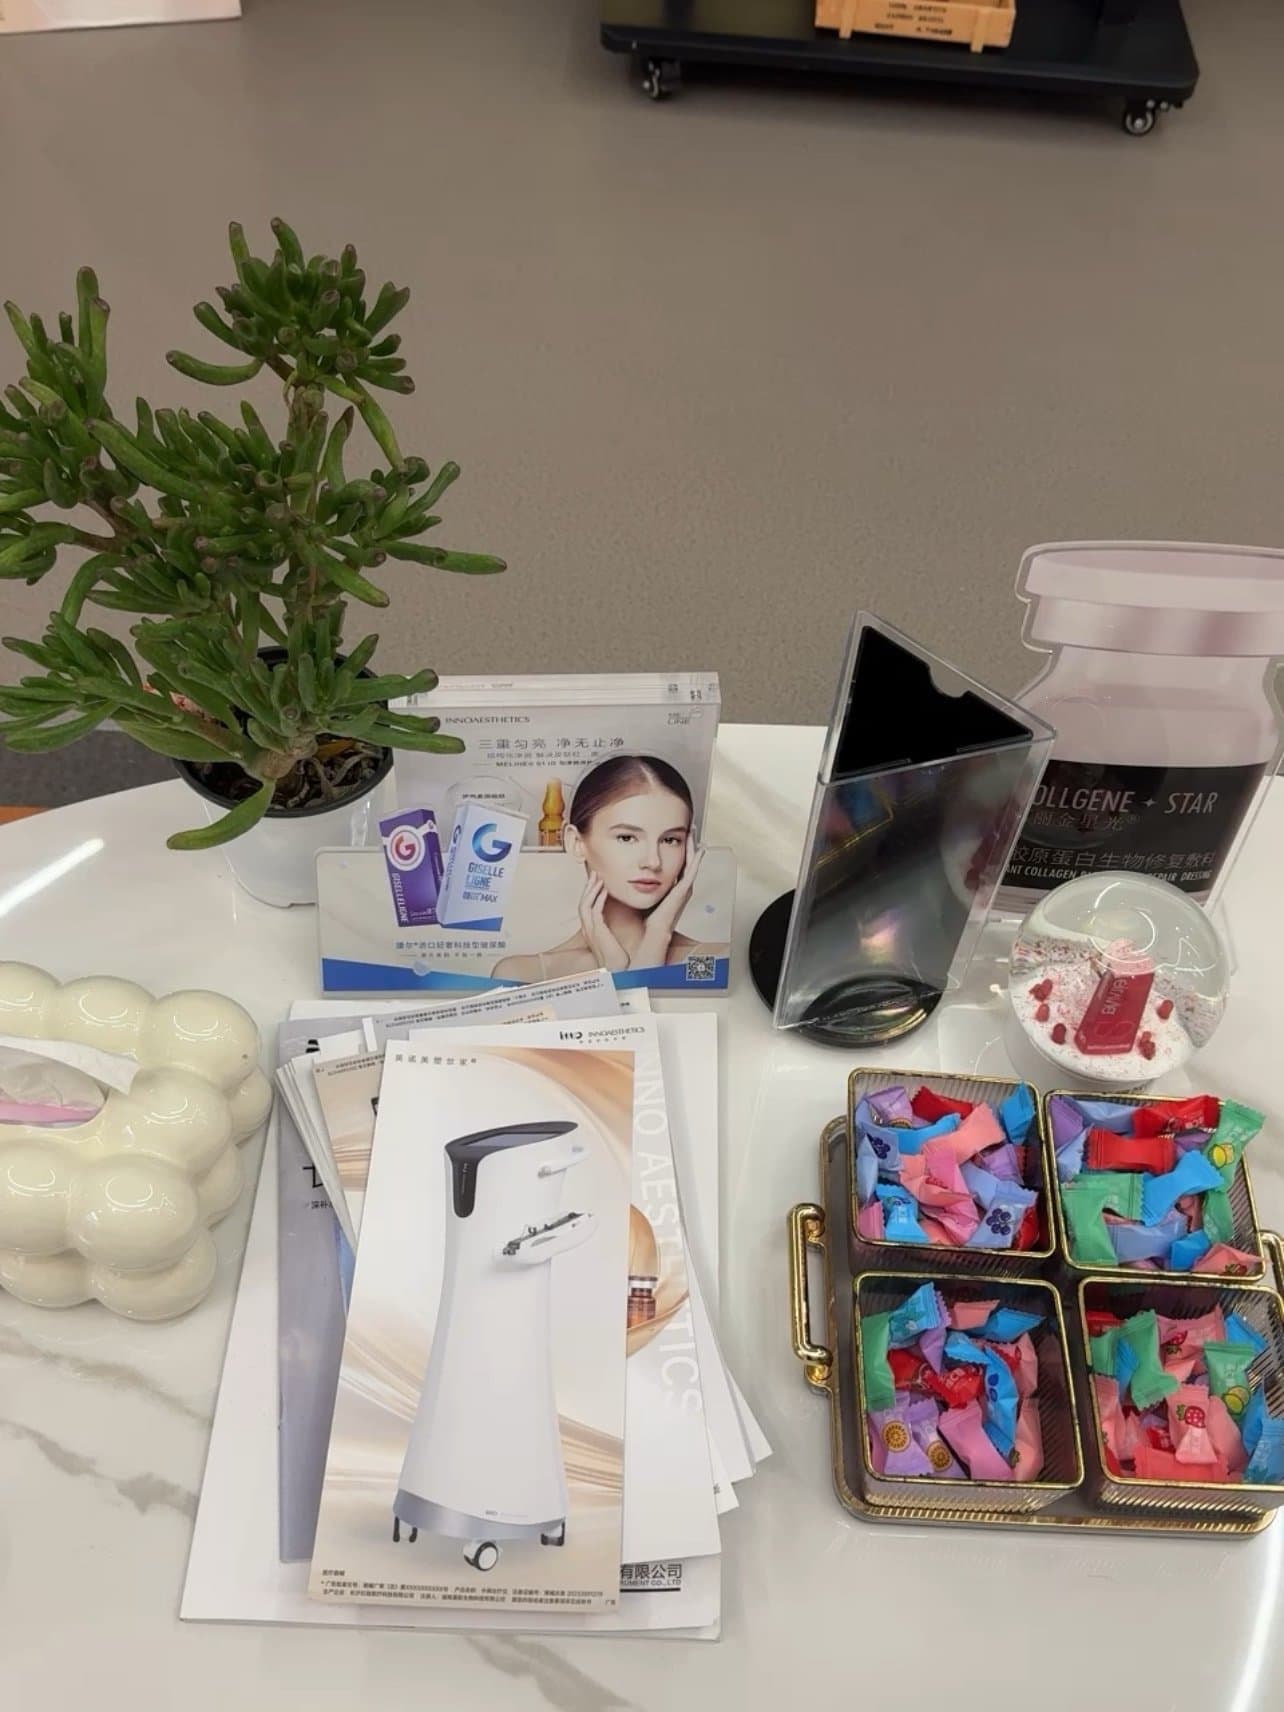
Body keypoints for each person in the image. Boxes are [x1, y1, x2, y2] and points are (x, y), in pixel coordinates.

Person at [491, 754, 724, 981]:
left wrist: (658, 934)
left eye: (670, 840)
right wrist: (614, 970)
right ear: (576, 842)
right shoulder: (523, 974)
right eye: (627, 838)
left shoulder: (714, 960)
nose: (653, 862)